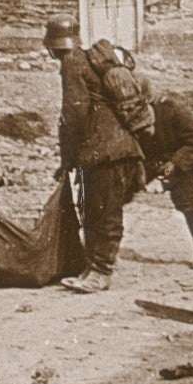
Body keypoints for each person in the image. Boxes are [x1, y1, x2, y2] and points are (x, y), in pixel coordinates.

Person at [43, 15, 146, 293]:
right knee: (96, 210)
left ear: (52, 45)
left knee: (105, 213)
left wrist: (67, 157)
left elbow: (74, 114)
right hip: (110, 150)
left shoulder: (71, 63)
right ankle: (92, 267)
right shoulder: (86, 59)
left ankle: (101, 271)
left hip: (107, 152)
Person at [131, 69, 193, 267]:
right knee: (114, 194)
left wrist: (175, 164)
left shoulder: (172, 110)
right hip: (147, 160)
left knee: (187, 202)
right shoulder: (125, 112)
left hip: (176, 159)